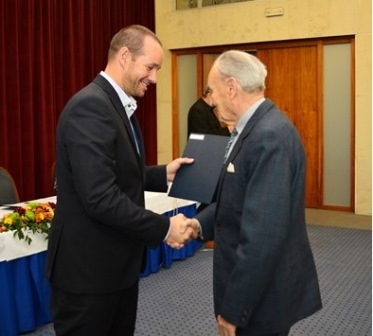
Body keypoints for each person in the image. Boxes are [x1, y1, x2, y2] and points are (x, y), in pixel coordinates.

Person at [45, 25, 197, 336]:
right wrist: (165, 227)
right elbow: (100, 197)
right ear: (125, 57)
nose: (154, 78)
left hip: (114, 269)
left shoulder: (113, 104)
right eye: (150, 67)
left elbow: (117, 172)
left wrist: (162, 173)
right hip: (88, 276)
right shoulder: (91, 107)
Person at [190, 50, 322, 336]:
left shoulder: (268, 137)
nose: (210, 99)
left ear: (231, 87)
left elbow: (261, 237)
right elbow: (237, 198)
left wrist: (233, 310)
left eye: (212, 90)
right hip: (259, 292)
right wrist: (199, 223)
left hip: (261, 301)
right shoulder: (255, 129)